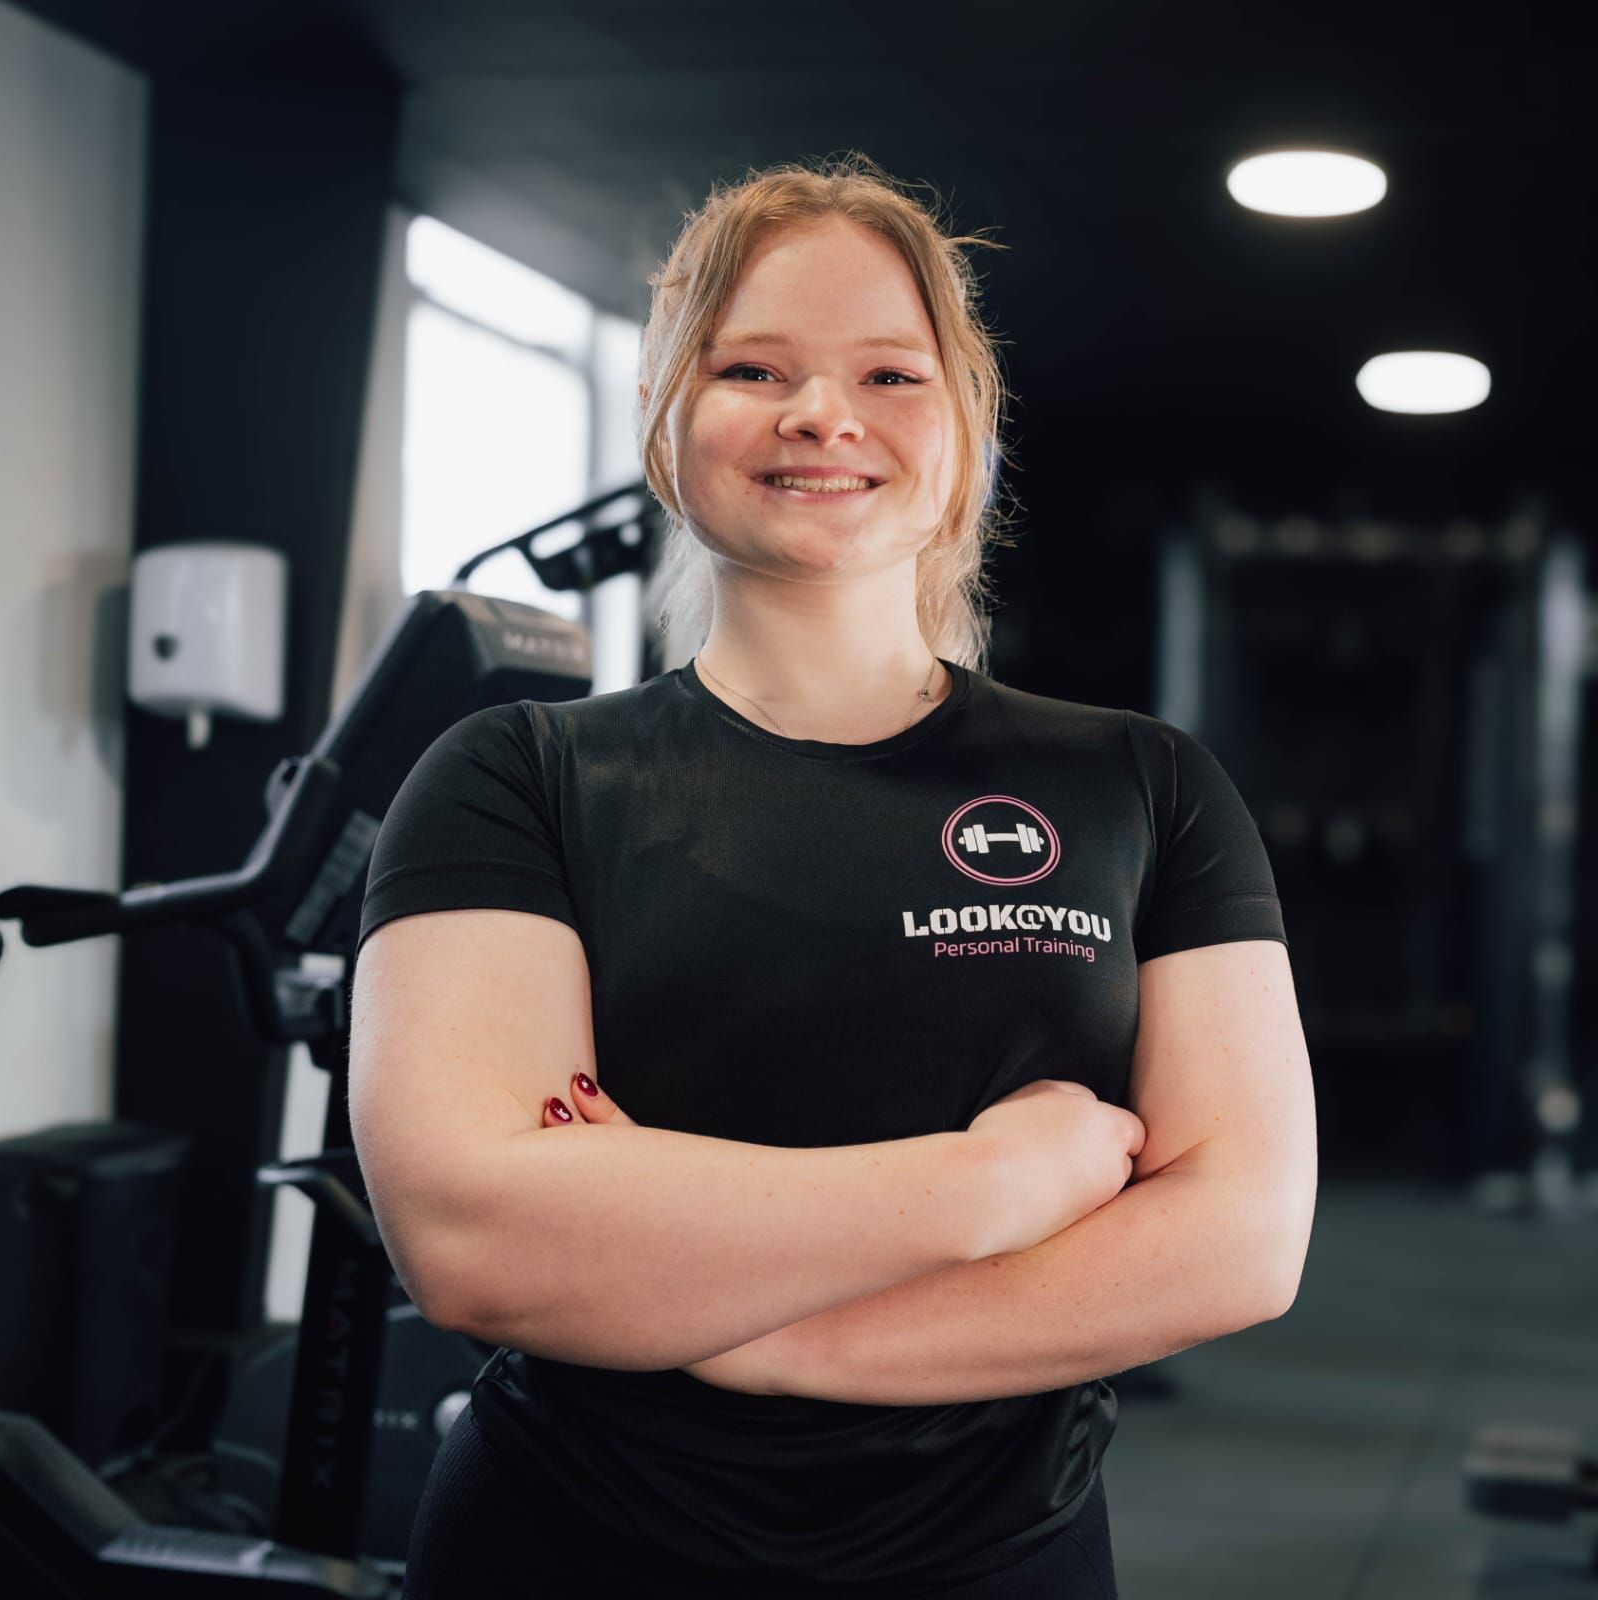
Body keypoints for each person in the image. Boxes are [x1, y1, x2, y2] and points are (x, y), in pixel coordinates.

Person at [350, 153, 1314, 1599]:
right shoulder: (515, 778)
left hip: (1000, 1558)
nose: (821, 415)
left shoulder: (1142, 787)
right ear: (668, 420)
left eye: (890, 374)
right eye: (753, 368)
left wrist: (752, 1333)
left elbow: (1236, 1240)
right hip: (567, 1545)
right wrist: (985, 1187)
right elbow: (477, 1237)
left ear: (970, 425)